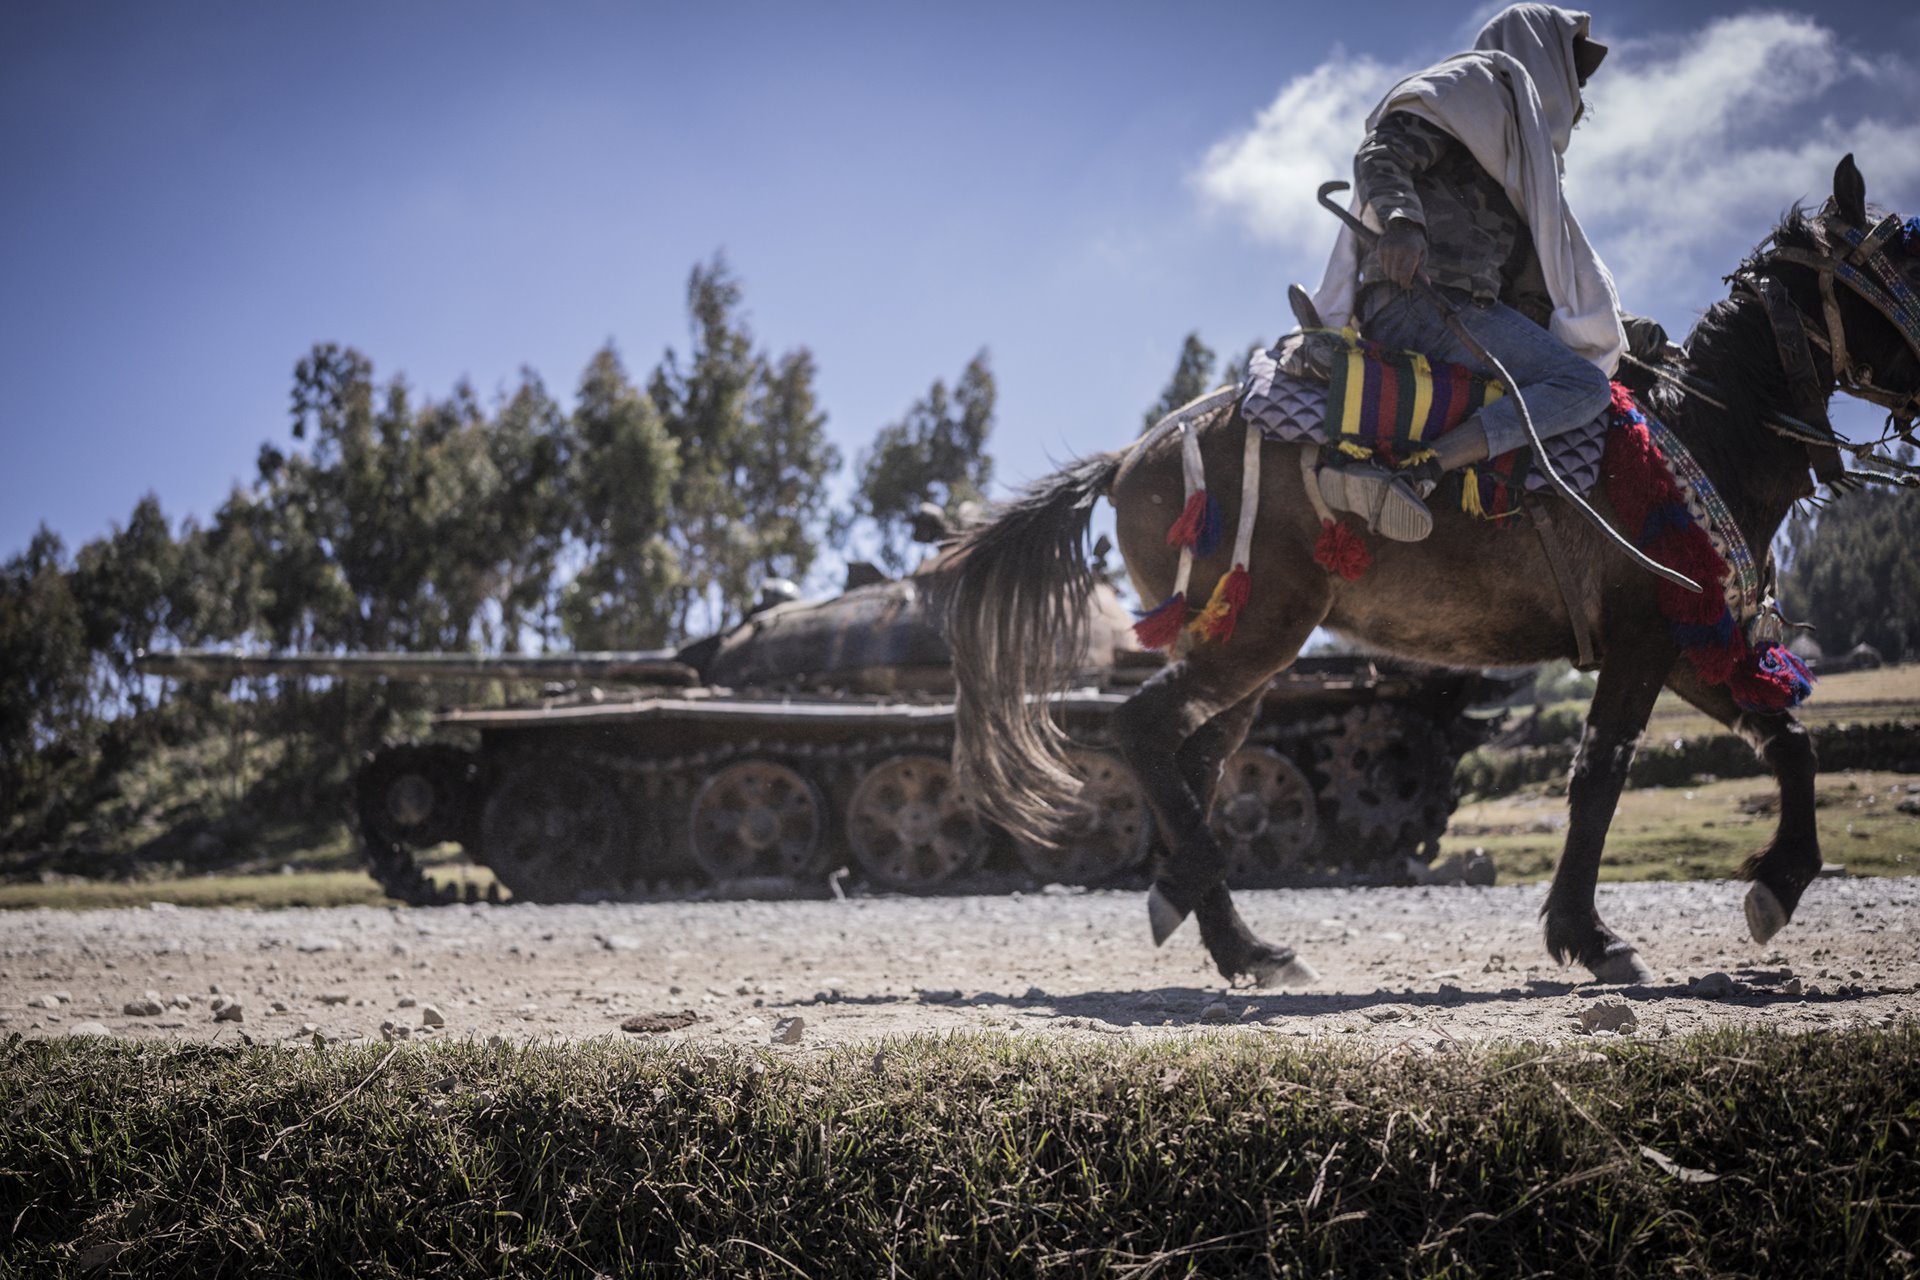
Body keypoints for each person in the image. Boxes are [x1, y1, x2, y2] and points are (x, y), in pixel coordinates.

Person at [1309, 5, 1620, 542]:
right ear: (1539, 50)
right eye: (1574, 68)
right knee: (1582, 385)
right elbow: (1381, 153)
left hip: (1459, 311)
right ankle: (1425, 467)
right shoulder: (1470, 88)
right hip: (1429, 305)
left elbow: (1544, 290)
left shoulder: (1519, 150)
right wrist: (1404, 223)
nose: (1579, 89)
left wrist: (1628, 333)